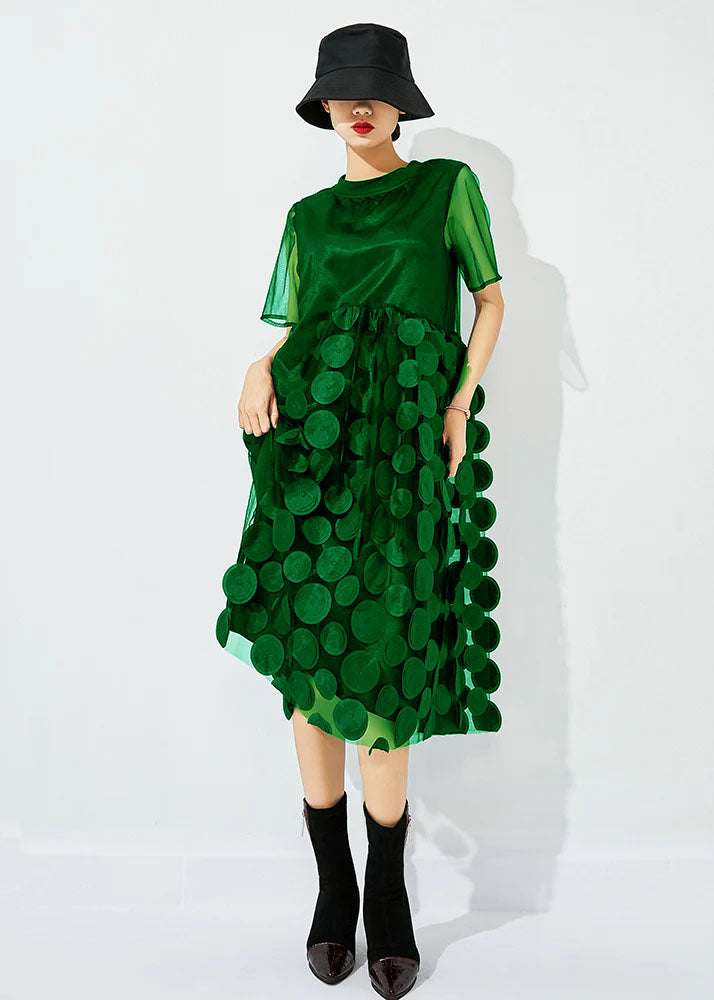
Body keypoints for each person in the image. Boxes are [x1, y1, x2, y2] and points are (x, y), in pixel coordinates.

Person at [215, 22, 505, 1000]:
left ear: (400, 102)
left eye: (375, 90)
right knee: (310, 657)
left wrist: (459, 405)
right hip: (313, 451)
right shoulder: (307, 218)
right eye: (343, 92)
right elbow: (299, 329)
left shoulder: (446, 189)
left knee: (386, 654)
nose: (359, 105)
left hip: (406, 453)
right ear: (324, 105)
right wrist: (259, 367)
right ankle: (333, 883)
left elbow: (490, 299)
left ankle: (386, 889)